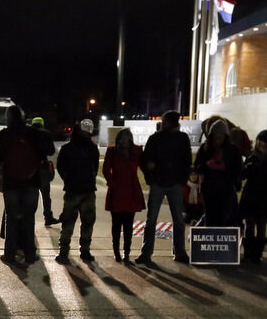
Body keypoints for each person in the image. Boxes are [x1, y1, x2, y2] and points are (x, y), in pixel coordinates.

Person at [0, 107, 50, 265]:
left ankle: (10, 254)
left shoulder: (4, 134)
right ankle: (30, 253)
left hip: (11, 183)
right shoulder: (33, 133)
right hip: (31, 182)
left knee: (11, 219)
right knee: (28, 219)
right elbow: (45, 152)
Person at [136, 110, 192, 264]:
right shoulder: (156, 138)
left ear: (171, 122)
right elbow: (145, 160)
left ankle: (179, 251)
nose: (162, 123)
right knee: (152, 219)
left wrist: (181, 180)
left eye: (165, 121)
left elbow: (186, 161)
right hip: (159, 183)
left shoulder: (181, 138)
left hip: (173, 183)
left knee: (177, 219)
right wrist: (151, 177)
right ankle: (146, 253)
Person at [54, 118, 100, 263]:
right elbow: (95, 168)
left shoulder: (68, 148)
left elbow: (60, 167)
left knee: (69, 222)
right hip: (86, 190)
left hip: (74, 190)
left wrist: (68, 179)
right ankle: (83, 251)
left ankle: (64, 253)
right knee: (85, 222)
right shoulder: (92, 148)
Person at [236, 130, 267, 264]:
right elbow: (244, 174)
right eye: (259, 142)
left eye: (264, 143)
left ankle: (257, 254)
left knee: (261, 225)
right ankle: (248, 253)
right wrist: (247, 166)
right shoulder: (252, 156)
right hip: (250, 194)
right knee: (249, 225)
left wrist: (255, 166)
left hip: (265, 195)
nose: (261, 145)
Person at [102, 127, 144, 263]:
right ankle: (116, 252)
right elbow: (106, 169)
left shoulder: (137, 150)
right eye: (122, 139)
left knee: (128, 225)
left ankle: (126, 253)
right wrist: (111, 183)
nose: (125, 142)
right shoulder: (112, 150)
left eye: (127, 139)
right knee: (116, 224)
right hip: (117, 189)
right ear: (118, 140)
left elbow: (144, 166)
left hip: (132, 189)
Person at [193, 118, 244, 230]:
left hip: (226, 190)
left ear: (225, 136)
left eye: (220, 136)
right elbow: (197, 166)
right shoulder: (205, 149)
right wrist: (206, 165)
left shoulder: (232, 150)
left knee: (225, 218)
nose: (218, 139)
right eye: (215, 136)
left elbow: (239, 169)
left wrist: (225, 167)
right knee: (210, 219)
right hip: (209, 190)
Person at [33, 117, 59, 227]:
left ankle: (30, 219)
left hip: (30, 168)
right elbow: (52, 151)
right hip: (42, 167)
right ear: (42, 124)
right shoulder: (46, 134)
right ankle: (48, 217)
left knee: (32, 195)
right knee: (45, 194)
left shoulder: (28, 133)